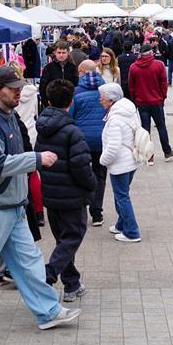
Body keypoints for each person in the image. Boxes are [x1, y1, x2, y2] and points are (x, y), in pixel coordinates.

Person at [0, 66, 81, 336]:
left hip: (10, 205)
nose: (19, 93)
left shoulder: (5, 115)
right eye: (13, 89)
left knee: (29, 261)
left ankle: (48, 311)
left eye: (19, 88)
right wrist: (35, 159)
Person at [35, 80, 96, 303]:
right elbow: (81, 167)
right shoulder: (72, 131)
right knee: (72, 237)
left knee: (64, 239)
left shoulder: (42, 128)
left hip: (51, 194)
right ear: (71, 102)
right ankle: (48, 273)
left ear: (49, 100)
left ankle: (72, 284)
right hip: (72, 196)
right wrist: (92, 185)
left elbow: (38, 159)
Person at [99, 83, 142, 243]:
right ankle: (121, 224)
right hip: (131, 159)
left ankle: (132, 232)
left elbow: (113, 146)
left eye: (102, 98)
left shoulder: (115, 119)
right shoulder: (129, 110)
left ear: (111, 100)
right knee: (122, 194)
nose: (100, 101)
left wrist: (103, 161)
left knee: (122, 196)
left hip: (121, 163)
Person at [70, 60, 108, 227]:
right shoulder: (106, 91)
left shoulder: (76, 92)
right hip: (103, 139)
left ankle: (82, 207)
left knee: (81, 174)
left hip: (82, 140)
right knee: (100, 175)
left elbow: (70, 116)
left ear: (82, 72)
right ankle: (97, 212)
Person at [129, 44, 173, 164]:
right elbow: (163, 84)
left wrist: (136, 99)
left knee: (145, 129)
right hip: (156, 101)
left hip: (142, 102)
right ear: (151, 53)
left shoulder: (134, 67)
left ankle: (149, 156)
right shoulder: (158, 65)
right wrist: (162, 97)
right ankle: (167, 151)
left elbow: (131, 86)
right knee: (161, 127)